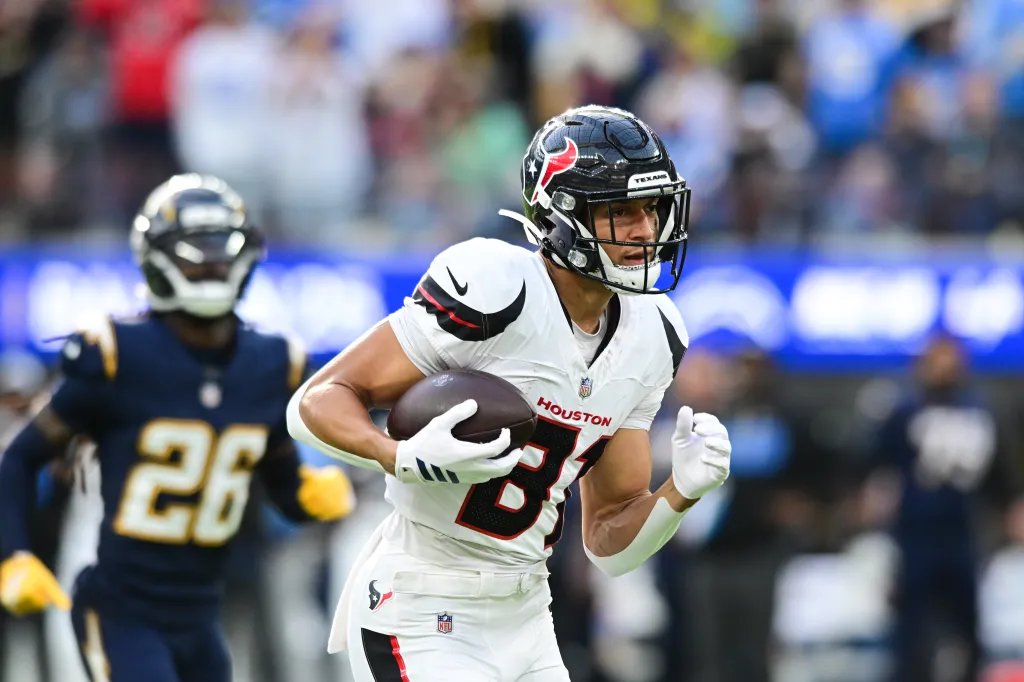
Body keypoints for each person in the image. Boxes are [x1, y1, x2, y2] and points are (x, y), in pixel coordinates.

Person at [289, 105, 733, 682]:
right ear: (562, 215)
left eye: (651, 208)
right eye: (620, 211)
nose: (646, 230)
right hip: (422, 605)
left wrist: (680, 493)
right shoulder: (498, 289)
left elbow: (609, 544)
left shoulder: (655, 334)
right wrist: (398, 455)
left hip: (528, 616)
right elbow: (317, 400)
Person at [0, 173, 356, 682]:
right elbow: (19, 459)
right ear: (157, 259)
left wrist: (307, 495)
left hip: (202, 615)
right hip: (120, 608)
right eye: (195, 254)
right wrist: (13, 555)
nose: (211, 265)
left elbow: (281, 484)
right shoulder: (116, 355)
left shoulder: (273, 363)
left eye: (221, 252)